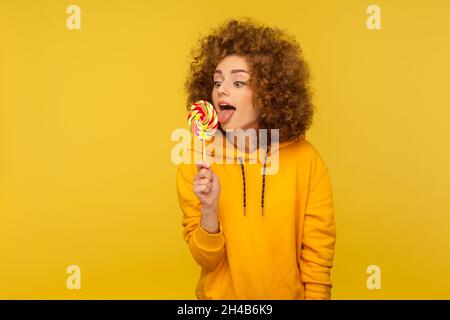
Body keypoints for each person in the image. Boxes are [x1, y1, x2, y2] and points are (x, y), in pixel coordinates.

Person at [176, 18, 336, 300]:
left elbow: (318, 255)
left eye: (238, 82)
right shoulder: (196, 160)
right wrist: (209, 210)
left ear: (270, 92)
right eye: (217, 81)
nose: (221, 90)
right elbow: (206, 260)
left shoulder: (306, 160)